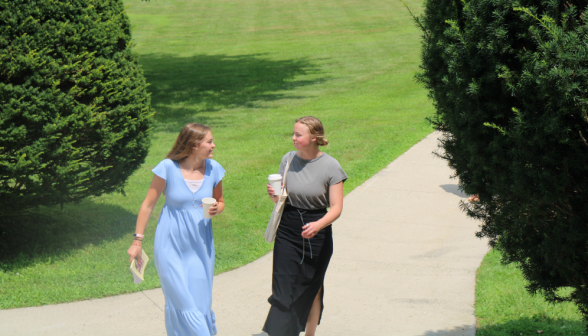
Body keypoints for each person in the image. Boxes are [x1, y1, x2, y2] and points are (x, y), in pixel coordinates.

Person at [127, 123, 225, 336]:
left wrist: (218, 208)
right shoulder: (167, 168)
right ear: (193, 145)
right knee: (182, 302)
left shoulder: (214, 168)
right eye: (209, 141)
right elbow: (147, 205)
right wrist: (137, 241)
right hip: (170, 244)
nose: (213, 145)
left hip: (201, 246)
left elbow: (220, 201)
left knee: (200, 303)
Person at [263, 116, 347, 336]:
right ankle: (278, 332)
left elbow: (336, 208)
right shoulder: (288, 159)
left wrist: (318, 225)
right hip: (288, 228)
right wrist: (275, 195)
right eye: (293, 133)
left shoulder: (331, 166)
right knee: (282, 288)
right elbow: (281, 198)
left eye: (298, 135)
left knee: (311, 289)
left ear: (314, 138)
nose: (293, 138)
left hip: (316, 233)